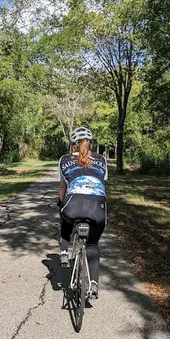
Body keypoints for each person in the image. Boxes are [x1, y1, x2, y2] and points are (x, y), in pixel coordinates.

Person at [57, 127, 108, 299]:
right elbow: (101, 184)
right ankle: (93, 283)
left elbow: (63, 186)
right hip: (97, 206)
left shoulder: (64, 160)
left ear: (73, 146)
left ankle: (64, 252)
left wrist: (60, 204)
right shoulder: (102, 159)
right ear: (90, 145)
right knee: (93, 245)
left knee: (65, 217)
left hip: (73, 204)